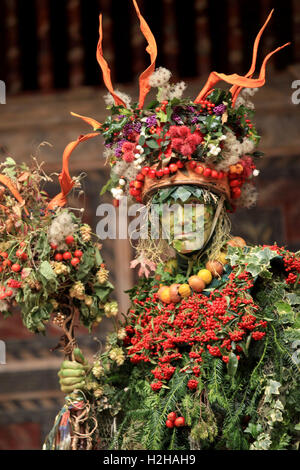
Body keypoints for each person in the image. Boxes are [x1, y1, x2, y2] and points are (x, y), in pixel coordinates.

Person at [51, 3, 300, 450]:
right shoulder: (150, 308)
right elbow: (127, 418)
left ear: (221, 208)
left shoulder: (264, 280)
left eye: (193, 205)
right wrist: (86, 388)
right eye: (167, 209)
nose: (180, 220)